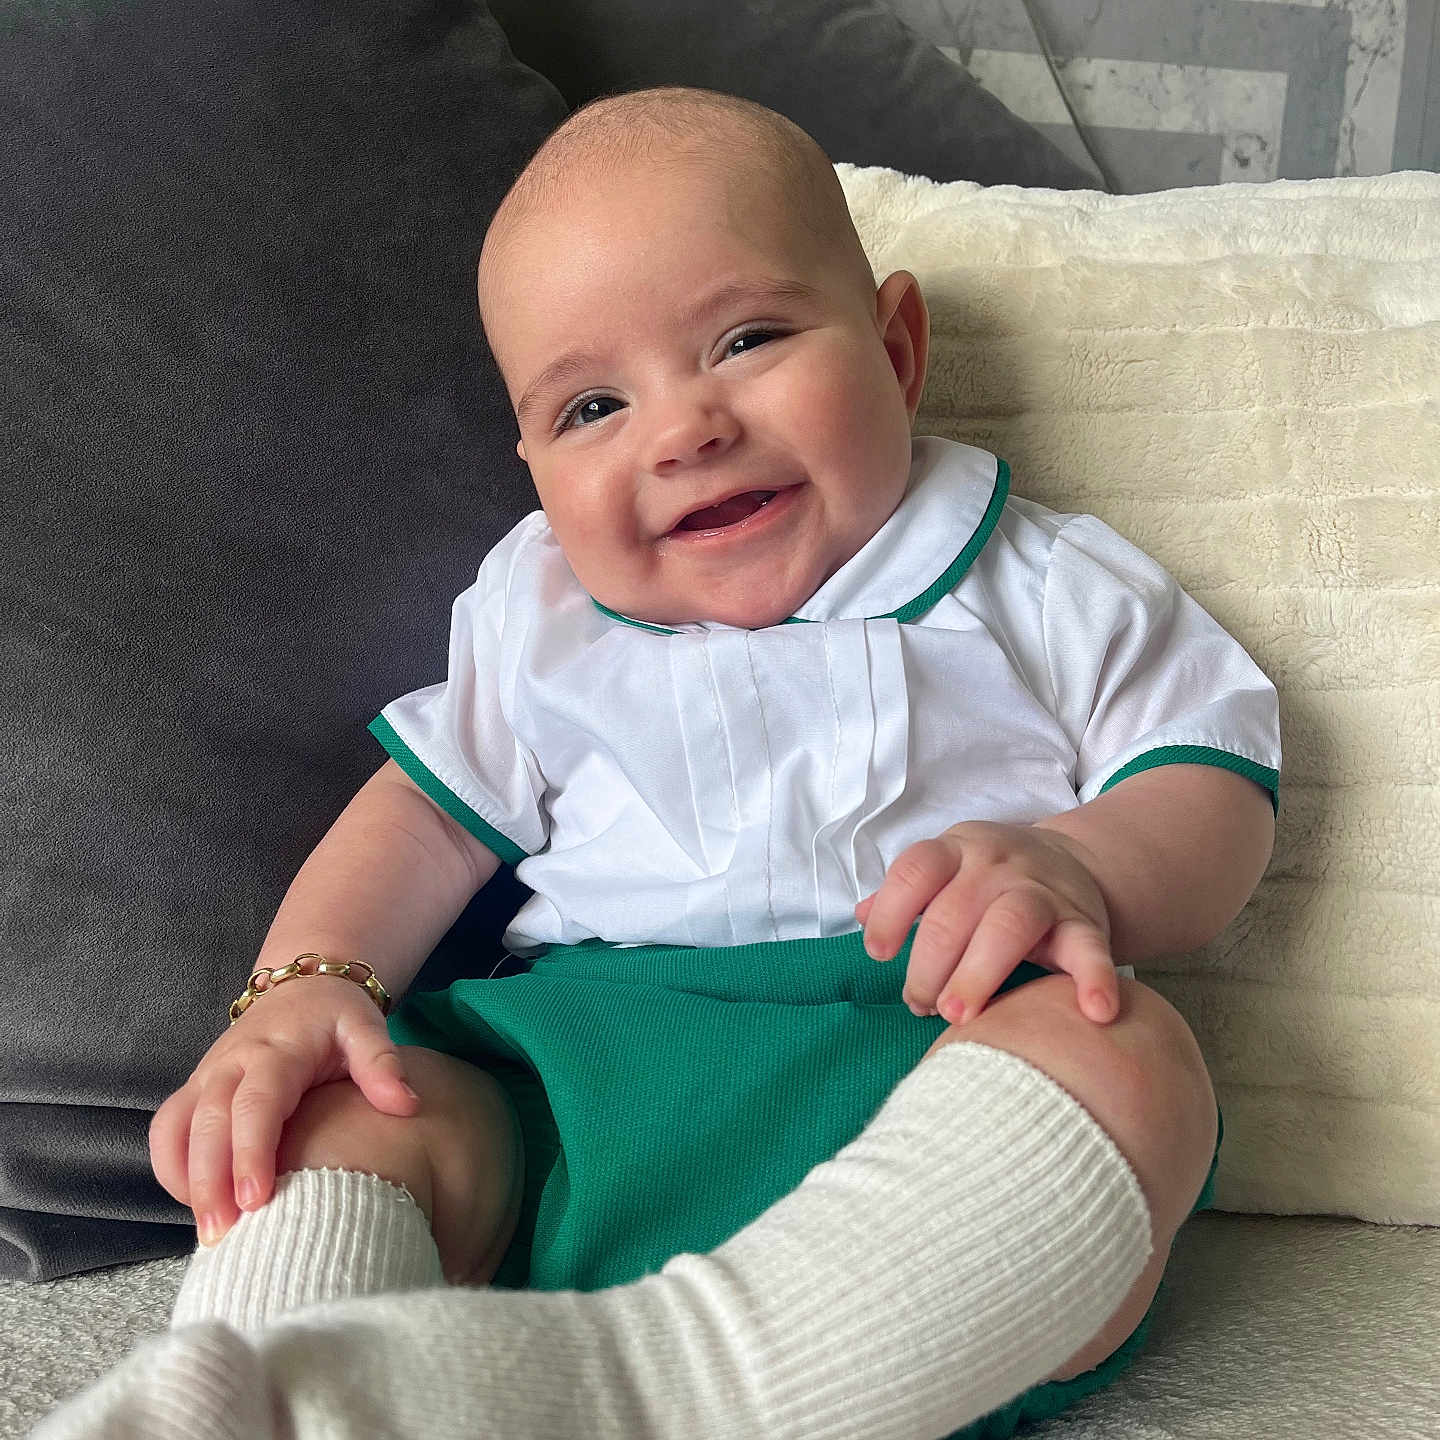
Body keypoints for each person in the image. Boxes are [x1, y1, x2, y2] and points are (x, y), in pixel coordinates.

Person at [33, 87, 1280, 1440]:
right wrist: (307, 983)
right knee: (349, 1116)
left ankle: (686, 1389)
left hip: (936, 1066)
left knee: (1128, 1058)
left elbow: (1206, 778)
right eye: (591, 408)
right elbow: (426, 818)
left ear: (897, 348)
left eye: (747, 340)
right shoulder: (540, 615)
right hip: (577, 1086)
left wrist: (1078, 864)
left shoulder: (1039, 581)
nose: (684, 429)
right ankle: (272, 1389)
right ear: (532, 465)